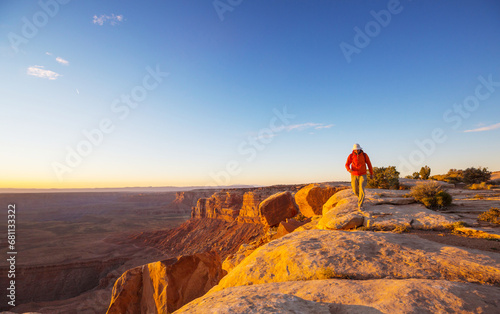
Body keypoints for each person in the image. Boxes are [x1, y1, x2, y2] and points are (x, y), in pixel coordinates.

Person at [345, 143, 373, 210]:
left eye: (358, 149)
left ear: (360, 149)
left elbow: (369, 164)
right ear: (354, 150)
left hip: (363, 174)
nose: (357, 151)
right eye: (355, 150)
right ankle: (361, 198)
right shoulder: (351, 156)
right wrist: (349, 170)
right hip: (354, 175)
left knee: (361, 189)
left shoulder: (364, 155)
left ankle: (360, 205)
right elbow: (346, 164)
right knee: (355, 190)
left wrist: (371, 173)